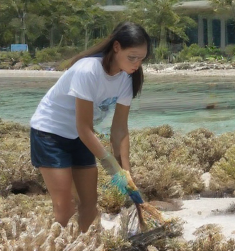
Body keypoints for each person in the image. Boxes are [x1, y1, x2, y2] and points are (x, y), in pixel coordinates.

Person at [28, 22, 151, 231]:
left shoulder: (126, 80)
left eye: (141, 59)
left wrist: (126, 173)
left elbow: (119, 129)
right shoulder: (88, 71)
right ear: (116, 47)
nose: (137, 64)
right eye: (132, 57)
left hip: (79, 138)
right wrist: (111, 165)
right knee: (64, 208)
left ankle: (79, 250)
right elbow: (83, 126)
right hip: (50, 134)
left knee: (90, 207)